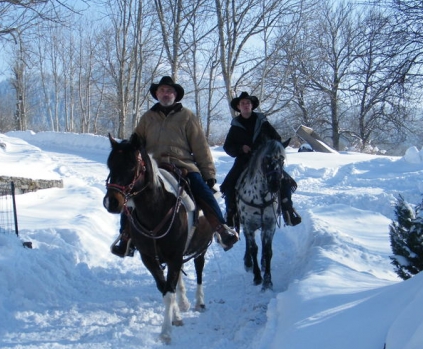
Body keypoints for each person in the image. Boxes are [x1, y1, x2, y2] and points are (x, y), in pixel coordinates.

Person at [111, 76, 239, 257]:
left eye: (170, 91)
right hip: (153, 168)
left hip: (183, 166)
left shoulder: (187, 117)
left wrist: (208, 173)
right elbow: (136, 141)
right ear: (156, 94)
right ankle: (126, 238)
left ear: (176, 95)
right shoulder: (148, 118)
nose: (166, 94)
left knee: (202, 190)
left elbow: (200, 146)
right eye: (162, 90)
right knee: (131, 196)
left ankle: (221, 228)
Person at [221, 91, 301, 228]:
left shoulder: (263, 122)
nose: (245, 105)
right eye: (243, 103)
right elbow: (227, 147)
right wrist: (240, 149)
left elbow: (276, 140)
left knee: (285, 181)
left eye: (248, 103)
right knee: (228, 185)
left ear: (252, 106)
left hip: (265, 161)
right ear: (239, 107)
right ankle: (231, 214)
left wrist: (267, 149)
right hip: (244, 161)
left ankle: (288, 209)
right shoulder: (235, 127)